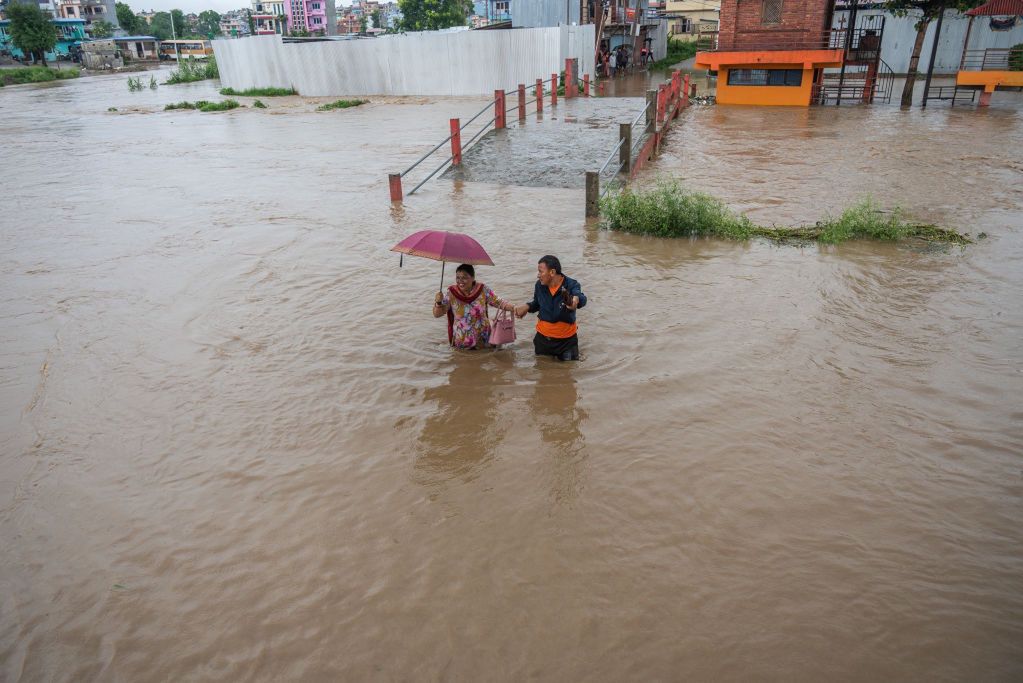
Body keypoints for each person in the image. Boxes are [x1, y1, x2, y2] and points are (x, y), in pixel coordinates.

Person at [514, 255, 587, 361]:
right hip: (543, 341)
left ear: (552, 272)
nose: (538, 276)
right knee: (543, 373)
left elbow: (581, 298)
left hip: (566, 343)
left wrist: (575, 302)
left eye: (540, 272)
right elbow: (537, 303)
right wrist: (527, 306)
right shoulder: (539, 285)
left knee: (567, 374)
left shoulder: (571, 284)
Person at [433, 264, 516, 349]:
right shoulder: (452, 293)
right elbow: (437, 314)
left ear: (473, 278)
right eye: (458, 277)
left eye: (464, 277)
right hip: (463, 343)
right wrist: (438, 302)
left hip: (484, 340)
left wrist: (515, 309)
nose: (460, 281)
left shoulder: (482, 290)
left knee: (489, 361)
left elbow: (499, 302)